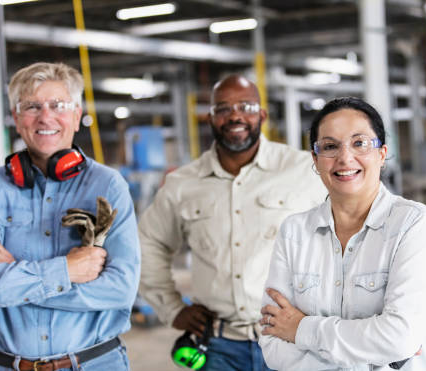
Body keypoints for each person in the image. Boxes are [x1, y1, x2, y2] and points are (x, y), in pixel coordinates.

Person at [138, 74, 327, 370]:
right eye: (223, 108)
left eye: (246, 106)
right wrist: (171, 308)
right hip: (217, 347)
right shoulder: (182, 184)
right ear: (210, 118)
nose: (235, 115)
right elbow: (149, 243)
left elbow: (355, 228)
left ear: (262, 115)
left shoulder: (305, 171)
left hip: (293, 342)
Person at [259, 97, 426, 371]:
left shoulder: (412, 223)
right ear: (315, 160)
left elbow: (400, 338)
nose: (345, 158)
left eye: (360, 143)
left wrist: (300, 328)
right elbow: (274, 349)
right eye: (330, 146)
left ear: (382, 154)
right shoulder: (294, 232)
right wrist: (375, 352)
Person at [0, 62, 140, 371]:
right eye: (32, 106)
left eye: (58, 105)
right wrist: (65, 270)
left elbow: (120, 289)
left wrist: (13, 276)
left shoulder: (108, 186)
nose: (45, 116)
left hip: (96, 363)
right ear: (16, 118)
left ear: (77, 116)